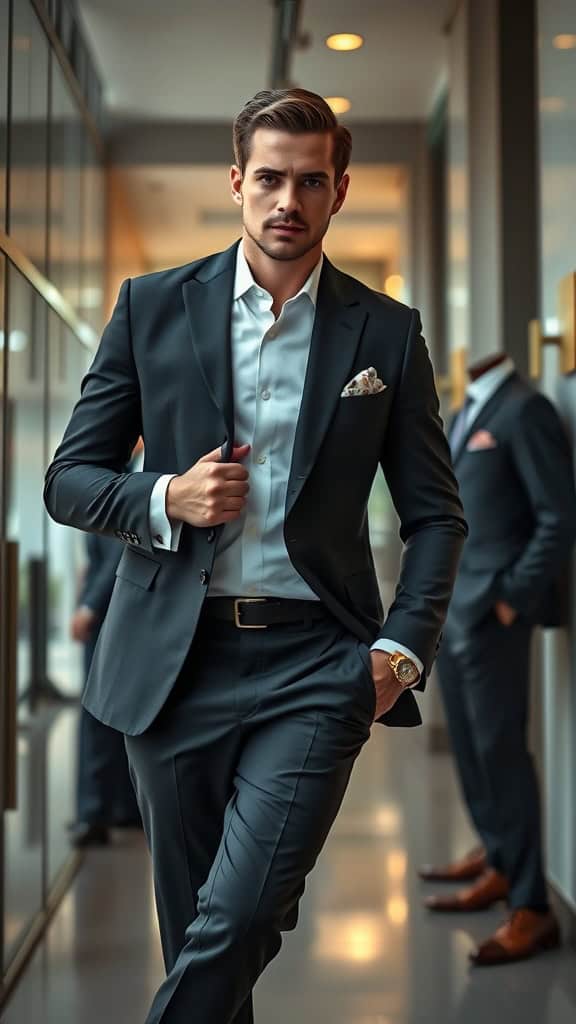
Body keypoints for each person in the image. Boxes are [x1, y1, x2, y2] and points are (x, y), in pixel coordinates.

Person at [44, 88, 466, 1024]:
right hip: (172, 660)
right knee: (196, 930)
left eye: (309, 182)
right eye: (269, 178)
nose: (288, 200)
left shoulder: (384, 334)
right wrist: (165, 496)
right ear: (237, 182)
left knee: (239, 917)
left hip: (317, 662)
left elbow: (438, 515)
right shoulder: (151, 307)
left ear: (338, 191)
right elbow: (68, 479)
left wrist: (400, 651)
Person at [421, 353, 576, 966]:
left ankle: (535, 908)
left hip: (492, 615)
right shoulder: (465, 410)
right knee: (470, 746)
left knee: (503, 752)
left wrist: (513, 599)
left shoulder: (525, 407)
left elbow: (558, 515)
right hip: (453, 613)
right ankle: (501, 861)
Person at [69, 525, 141, 847]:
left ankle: (94, 814)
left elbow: (116, 557)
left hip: (107, 619)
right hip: (122, 618)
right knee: (118, 716)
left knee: (97, 719)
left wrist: (89, 607)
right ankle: (123, 809)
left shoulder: (115, 484)